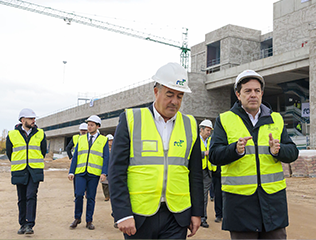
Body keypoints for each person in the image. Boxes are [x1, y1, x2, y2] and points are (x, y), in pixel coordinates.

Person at [108, 62, 204, 239]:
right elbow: (116, 170)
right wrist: (122, 213)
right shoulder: (131, 119)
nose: (175, 101)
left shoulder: (190, 125)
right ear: (156, 91)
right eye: (169, 94)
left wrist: (197, 212)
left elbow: (196, 173)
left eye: (180, 96)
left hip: (177, 216)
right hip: (139, 215)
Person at [209, 69, 299, 239]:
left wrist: (278, 150)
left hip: (272, 203)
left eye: (257, 91)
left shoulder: (276, 119)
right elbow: (214, 155)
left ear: (262, 94)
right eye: (247, 91)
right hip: (240, 205)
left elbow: (293, 152)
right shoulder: (225, 119)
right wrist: (235, 150)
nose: (253, 95)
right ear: (238, 94)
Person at [6, 108, 47, 235]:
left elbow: (43, 151)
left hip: (34, 170)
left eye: (34, 118)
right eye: (31, 119)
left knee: (31, 196)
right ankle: (22, 224)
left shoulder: (40, 133)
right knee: (21, 198)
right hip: (19, 170)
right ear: (23, 120)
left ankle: (30, 224)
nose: (33, 121)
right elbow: (9, 153)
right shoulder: (12, 135)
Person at [68, 115, 109, 230]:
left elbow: (106, 157)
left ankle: (89, 221)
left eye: (92, 125)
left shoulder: (103, 140)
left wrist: (104, 172)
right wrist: (71, 171)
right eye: (88, 125)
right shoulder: (81, 139)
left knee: (91, 197)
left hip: (94, 173)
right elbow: (76, 156)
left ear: (98, 126)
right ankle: (77, 218)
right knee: (78, 194)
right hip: (80, 172)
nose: (89, 127)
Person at [199, 119, 214, 228]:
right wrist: (204, 153)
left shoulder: (210, 141)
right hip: (197, 171)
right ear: (201, 129)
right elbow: (191, 153)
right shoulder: (195, 140)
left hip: (207, 171)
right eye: (207, 130)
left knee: (204, 196)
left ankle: (203, 218)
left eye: (210, 131)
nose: (209, 132)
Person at [101, 134, 114, 201]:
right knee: (105, 183)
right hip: (105, 167)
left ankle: (112, 195)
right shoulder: (103, 149)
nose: (110, 142)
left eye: (112, 140)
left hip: (113, 168)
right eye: (109, 141)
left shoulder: (115, 149)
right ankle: (106, 195)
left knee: (112, 182)